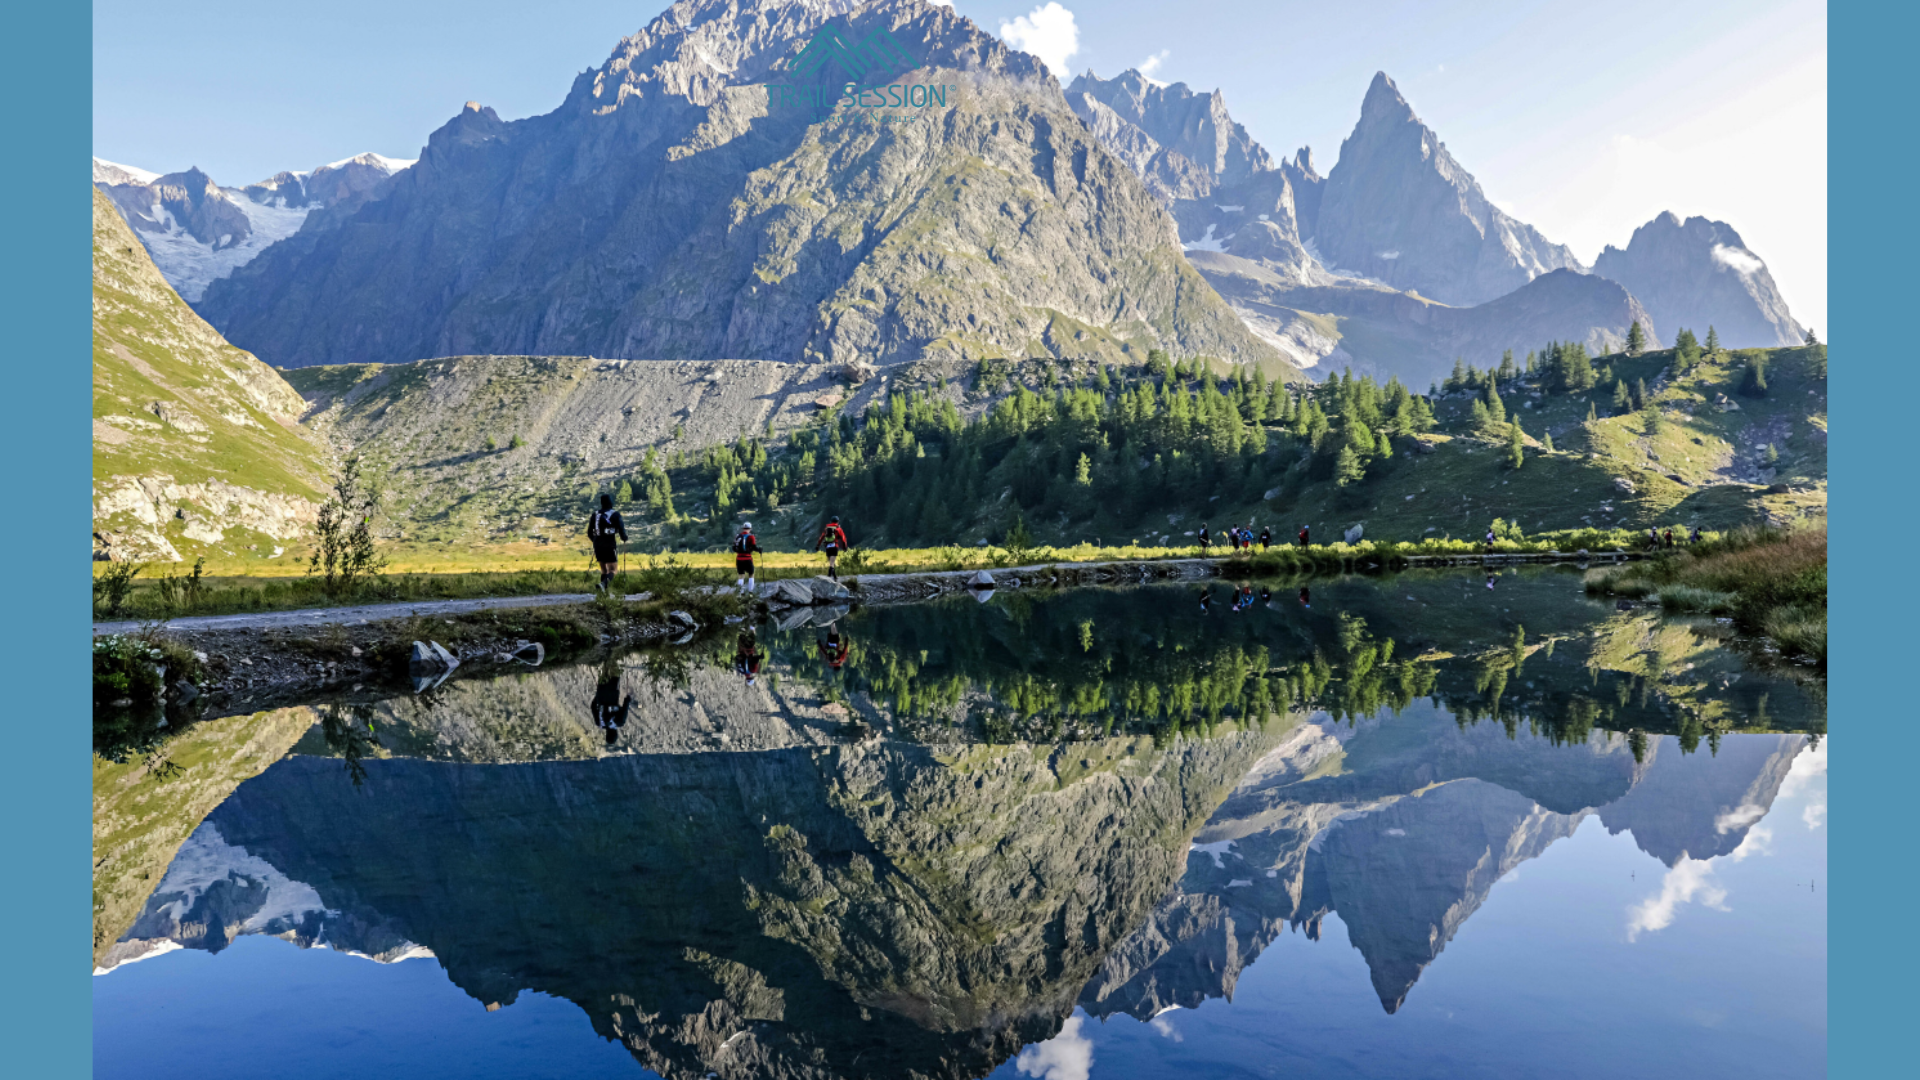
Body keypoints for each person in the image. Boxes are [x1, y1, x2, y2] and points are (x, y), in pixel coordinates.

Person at [587, 493, 628, 592]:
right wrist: (624, 538)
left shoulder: (595, 514)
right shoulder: (615, 514)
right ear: (611, 502)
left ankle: (603, 592)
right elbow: (622, 530)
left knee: (604, 569)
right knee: (613, 570)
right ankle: (603, 584)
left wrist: (595, 540)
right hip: (609, 544)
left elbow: (589, 532)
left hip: (597, 544)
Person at [591, 658, 632, 748]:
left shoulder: (620, 722)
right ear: (607, 734)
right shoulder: (599, 723)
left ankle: (613, 651)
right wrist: (597, 696)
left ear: (616, 734)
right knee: (604, 672)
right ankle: (605, 655)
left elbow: (625, 707)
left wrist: (628, 699)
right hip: (601, 692)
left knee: (615, 670)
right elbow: (593, 706)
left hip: (613, 692)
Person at [815, 516, 852, 580]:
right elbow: (843, 538)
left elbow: (821, 537)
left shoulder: (826, 528)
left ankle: (834, 576)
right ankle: (829, 575)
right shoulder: (838, 529)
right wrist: (844, 547)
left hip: (827, 546)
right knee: (832, 562)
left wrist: (818, 545)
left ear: (831, 521)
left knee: (831, 562)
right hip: (834, 546)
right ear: (837, 521)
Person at [731, 522, 761, 593]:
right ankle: (750, 592)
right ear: (750, 528)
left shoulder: (737, 536)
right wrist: (759, 550)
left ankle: (740, 593)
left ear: (743, 528)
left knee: (741, 575)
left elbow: (734, 547)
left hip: (739, 559)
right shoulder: (751, 536)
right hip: (747, 558)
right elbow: (753, 547)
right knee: (751, 574)